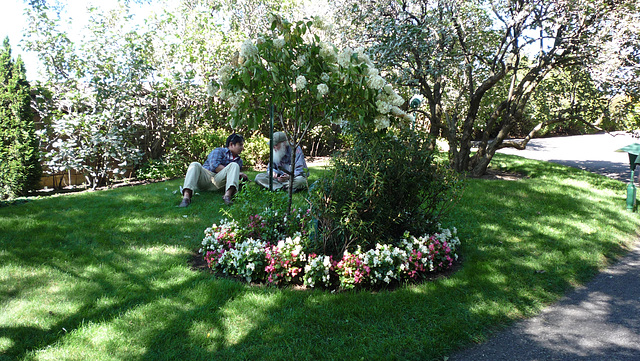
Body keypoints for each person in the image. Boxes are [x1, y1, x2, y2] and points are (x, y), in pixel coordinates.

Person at [179, 133, 248, 207]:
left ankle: (227, 196)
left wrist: (242, 177)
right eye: (240, 145)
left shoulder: (239, 161)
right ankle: (186, 197)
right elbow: (214, 167)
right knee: (194, 164)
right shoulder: (219, 151)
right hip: (206, 178)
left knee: (234, 165)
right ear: (231, 144)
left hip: (220, 182)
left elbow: (233, 178)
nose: (242, 147)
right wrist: (237, 173)